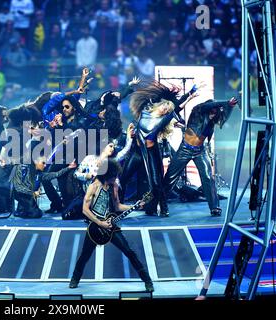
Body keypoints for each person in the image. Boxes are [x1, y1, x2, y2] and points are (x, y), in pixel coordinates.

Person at [69, 159, 154, 292]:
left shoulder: (114, 186)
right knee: (85, 255)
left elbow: (117, 206)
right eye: (113, 176)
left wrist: (135, 206)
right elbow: (85, 210)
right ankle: (75, 279)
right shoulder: (94, 186)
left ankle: (147, 281)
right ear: (106, 174)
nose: (115, 179)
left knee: (129, 251)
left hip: (110, 225)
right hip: (95, 227)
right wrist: (99, 222)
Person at [130, 81, 197, 217]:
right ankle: (116, 207)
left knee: (156, 182)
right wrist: (134, 86)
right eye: (164, 108)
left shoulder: (165, 118)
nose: (165, 110)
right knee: (125, 177)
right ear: (160, 105)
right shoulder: (146, 110)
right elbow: (144, 96)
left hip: (151, 152)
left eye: (167, 110)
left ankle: (163, 207)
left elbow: (177, 107)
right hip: (138, 151)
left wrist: (189, 97)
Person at [163, 97, 238, 216]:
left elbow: (224, 117)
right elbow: (208, 106)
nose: (214, 114)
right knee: (171, 176)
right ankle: (159, 203)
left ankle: (215, 207)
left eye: (215, 112)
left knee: (208, 177)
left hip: (200, 151)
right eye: (213, 111)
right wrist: (225, 102)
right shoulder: (198, 110)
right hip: (185, 149)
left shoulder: (213, 119)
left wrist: (230, 106)